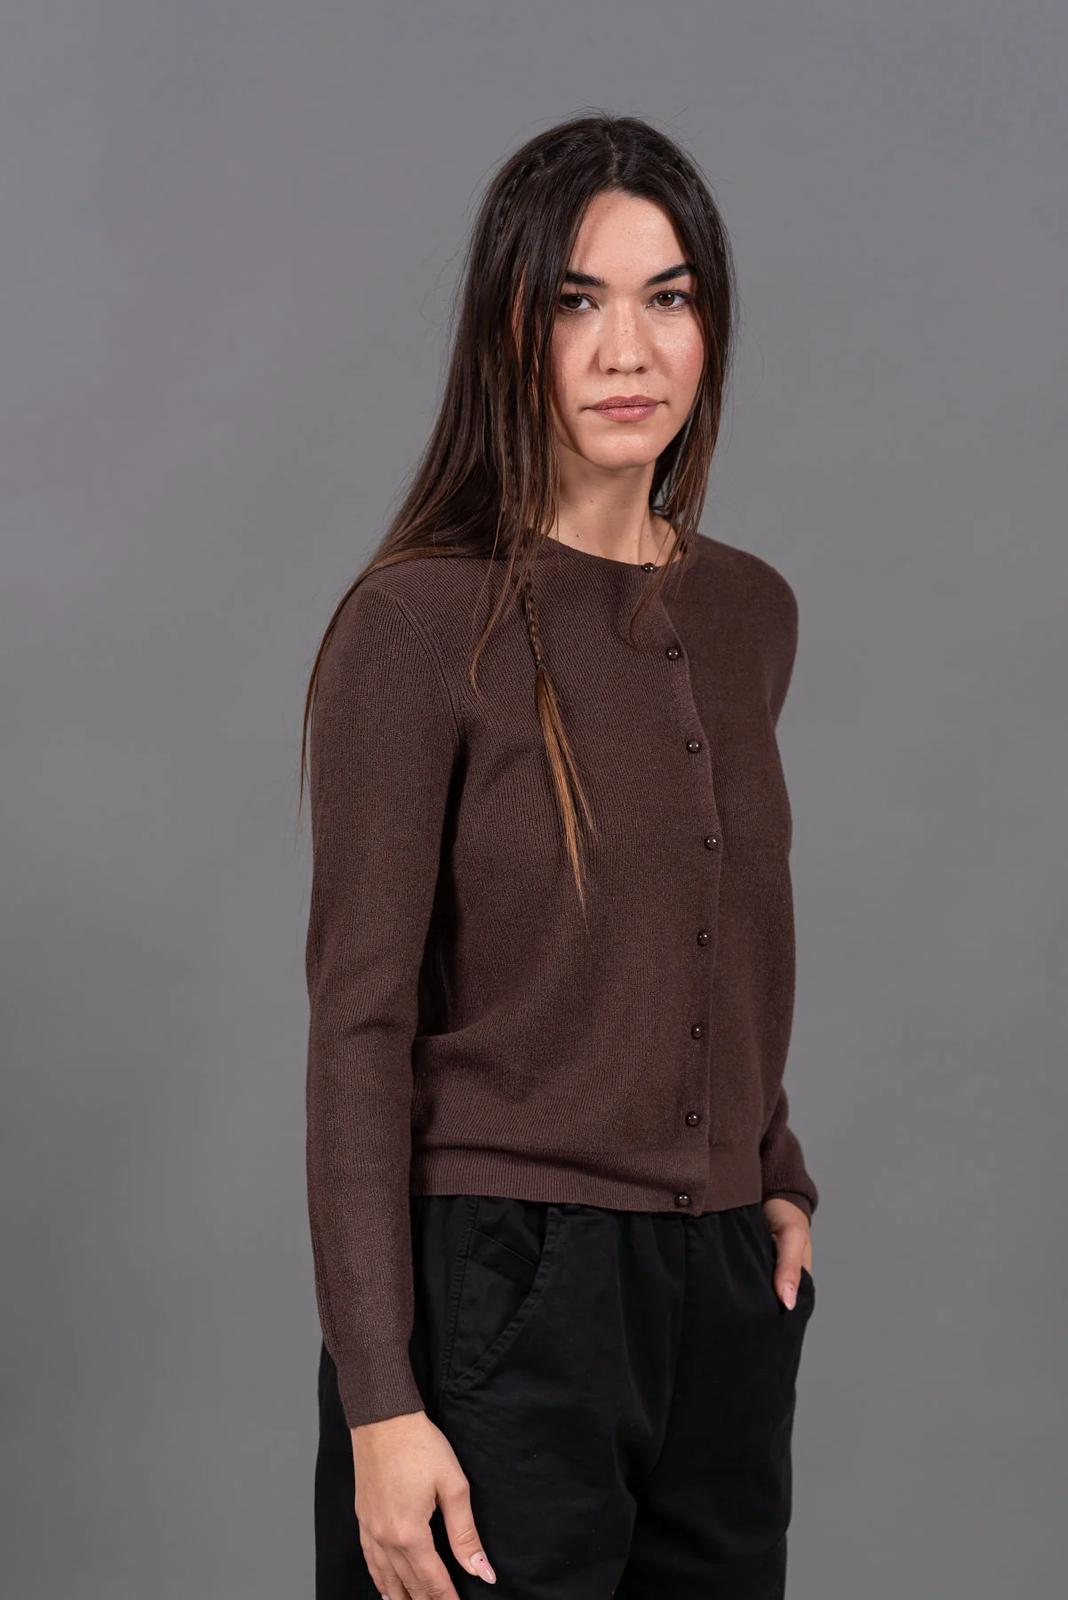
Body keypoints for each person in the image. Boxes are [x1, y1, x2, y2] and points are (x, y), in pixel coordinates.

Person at [300, 111, 820, 1600]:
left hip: (720, 1295)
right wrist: (381, 1400)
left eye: (669, 297)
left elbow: (711, 927)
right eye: (578, 300)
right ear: (509, 330)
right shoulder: (419, 626)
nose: (627, 350)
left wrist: (771, 1167)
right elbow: (358, 1027)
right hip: (504, 1290)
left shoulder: (750, 613)